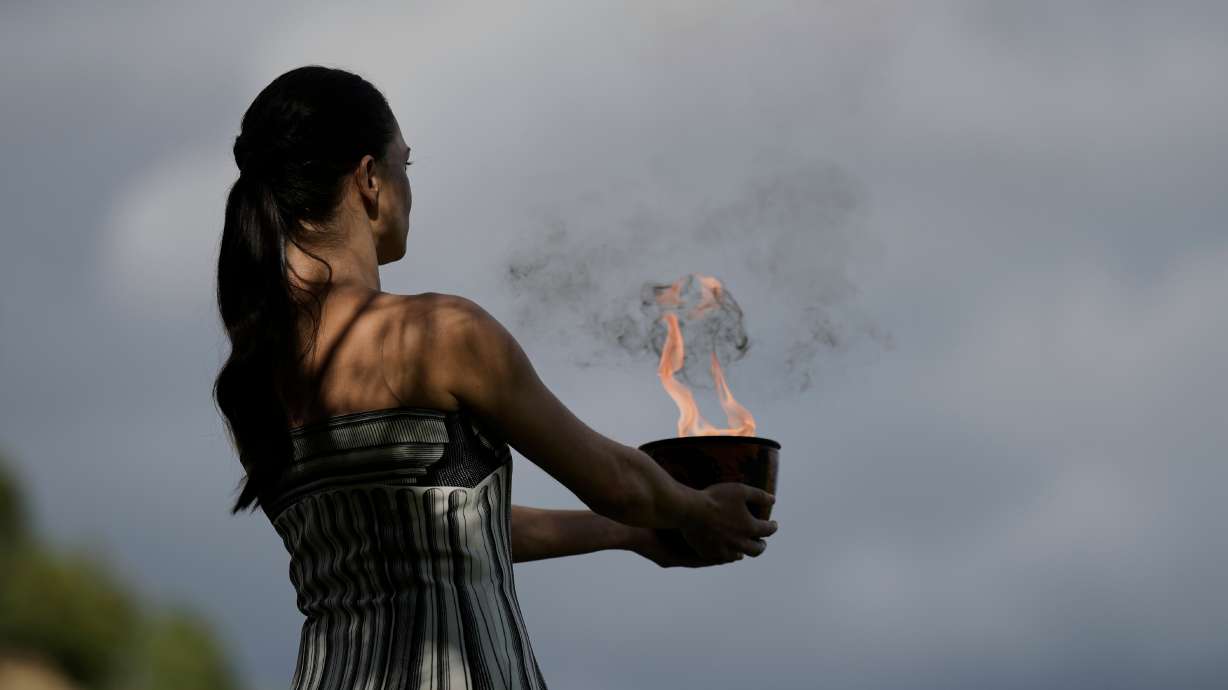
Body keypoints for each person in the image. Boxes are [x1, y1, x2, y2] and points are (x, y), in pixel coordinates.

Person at [213, 65, 779, 690]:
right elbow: (617, 481)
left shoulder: (251, 377)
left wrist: (627, 534)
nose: (410, 187)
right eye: (406, 164)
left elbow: (445, 526)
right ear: (370, 179)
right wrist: (698, 510)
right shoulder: (436, 334)